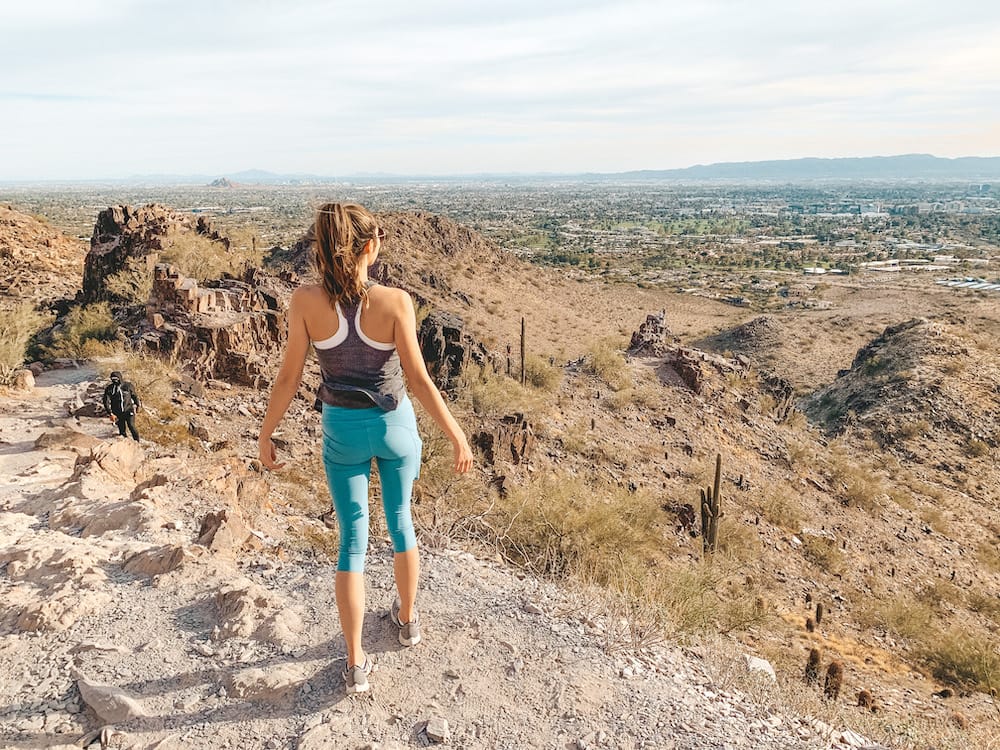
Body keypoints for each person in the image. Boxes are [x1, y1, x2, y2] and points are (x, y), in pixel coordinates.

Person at [258, 202, 473, 695]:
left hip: (342, 429)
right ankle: (408, 620)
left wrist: (266, 432)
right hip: (394, 425)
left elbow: (289, 377)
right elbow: (418, 380)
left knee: (352, 541)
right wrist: (456, 434)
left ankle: (355, 663)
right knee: (401, 522)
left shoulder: (305, 301)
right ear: (370, 248)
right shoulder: (396, 302)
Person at [102, 370, 141, 441]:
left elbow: (134, 396)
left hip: (128, 410)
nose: (115, 381)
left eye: (116, 379)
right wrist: (110, 413)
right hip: (117, 412)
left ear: (120, 378)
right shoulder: (110, 389)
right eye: (113, 379)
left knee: (131, 426)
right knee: (122, 430)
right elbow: (106, 401)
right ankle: (125, 443)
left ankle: (137, 442)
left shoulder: (128, 386)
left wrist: (137, 405)